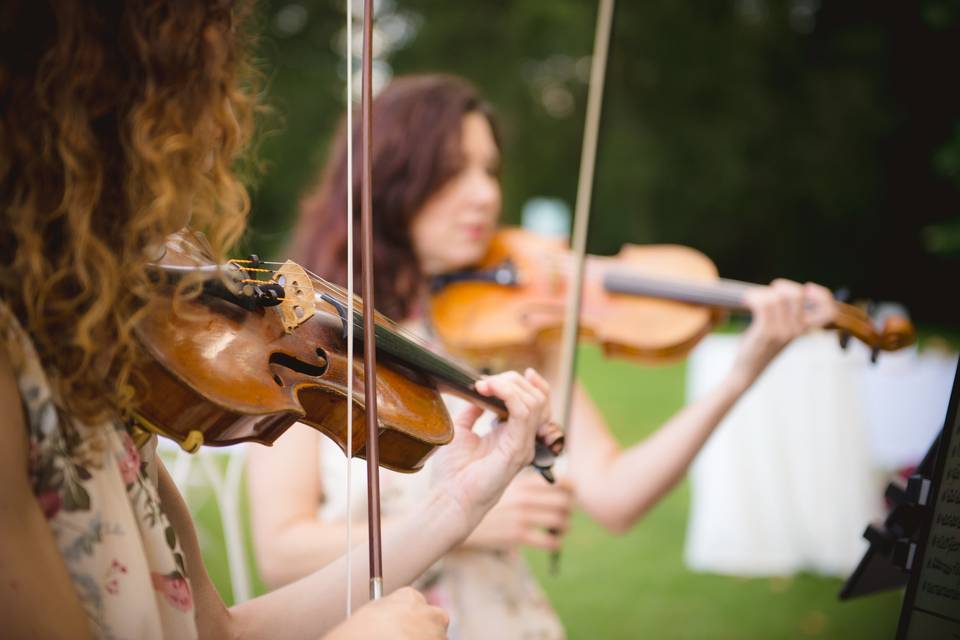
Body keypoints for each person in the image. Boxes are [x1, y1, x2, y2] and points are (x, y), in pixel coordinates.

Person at [0, 6, 555, 640]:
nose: (216, 134)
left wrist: (458, 505)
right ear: (74, 110)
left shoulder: (97, 364)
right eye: (186, 90)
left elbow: (221, 632)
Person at [247, 74, 838, 638]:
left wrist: (741, 374)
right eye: (453, 172)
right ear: (386, 181)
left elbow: (617, 497)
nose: (485, 194)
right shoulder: (309, 334)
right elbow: (281, 553)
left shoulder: (508, 333)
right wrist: (465, 522)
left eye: (490, 170)